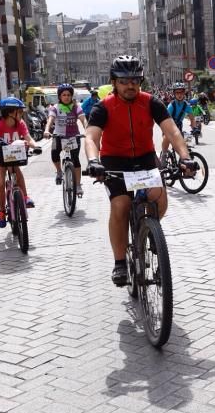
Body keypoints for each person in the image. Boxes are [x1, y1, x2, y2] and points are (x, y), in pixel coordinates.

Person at [85, 56, 196, 286]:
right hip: (114, 163)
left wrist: (185, 157)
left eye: (135, 80)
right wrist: (93, 161)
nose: (130, 85)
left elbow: (173, 131)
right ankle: (119, 263)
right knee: (121, 205)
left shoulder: (151, 102)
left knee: (158, 196)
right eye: (124, 81)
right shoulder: (103, 107)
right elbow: (91, 137)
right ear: (114, 82)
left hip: (145, 159)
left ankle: (149, 231)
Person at [0, 97, 40, 227]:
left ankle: (25, 197)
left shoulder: (20, 124)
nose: (22, 114)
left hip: (13, 155)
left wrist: (36, 146)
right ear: (10, 113)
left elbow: (29, 138)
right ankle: (1, 211)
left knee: (16, 170)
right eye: (20, 112)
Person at [43, 83, 87, 192]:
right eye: (64, 95)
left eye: (68, 95)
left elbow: (83, 119)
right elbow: (50, 120)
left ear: (72, 96)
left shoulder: (76, 107)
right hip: (59, 136)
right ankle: (58, 171)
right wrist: (47, 130)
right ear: (59, 97)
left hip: (73, 136)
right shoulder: (55, 108)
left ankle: (78, 185)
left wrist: (88, 129)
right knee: (54, 154)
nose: (66, 97)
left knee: (75, 159)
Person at [162, 83, 193, 153]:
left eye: (181, 92)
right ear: (174, 94)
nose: (179, 95)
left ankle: (183, 160)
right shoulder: (171, 105)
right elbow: (164, 119)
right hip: (169, 126)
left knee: (186, 142)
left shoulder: (187, 105)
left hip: (178, 126)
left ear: (184, 93)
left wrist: (194, 128)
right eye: (177, 93)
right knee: (167, 137)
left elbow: (192, 119)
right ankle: (163, 155)